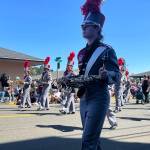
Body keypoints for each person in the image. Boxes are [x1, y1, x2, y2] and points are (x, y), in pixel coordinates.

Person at [77, 0, 120, 149]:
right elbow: (83, 75)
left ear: (97, 28)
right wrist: (71, 80)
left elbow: (116, 75)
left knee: (88, 140)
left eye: (86, 25)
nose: (82, 27)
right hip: (83, 98)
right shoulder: (81, 53)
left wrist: (106, 74)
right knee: (93, 140)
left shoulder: (107, 50)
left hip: (98, 97)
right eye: (82, 25)